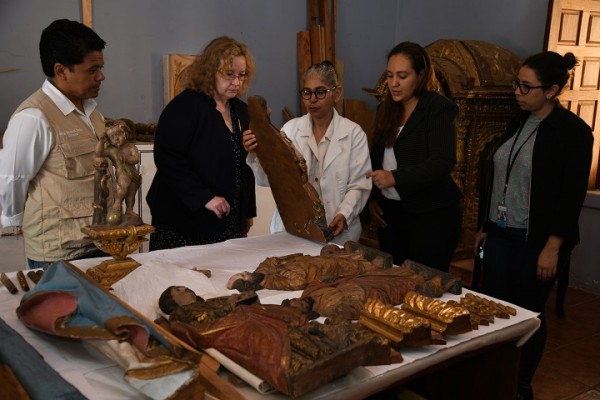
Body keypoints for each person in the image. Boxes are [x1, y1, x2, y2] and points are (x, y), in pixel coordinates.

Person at [473, 51, 593, 400]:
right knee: (494, 308)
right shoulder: (517, 121)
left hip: (536, 240)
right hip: (499, 232)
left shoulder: (573, 133)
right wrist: (485, 224)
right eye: (516, 83)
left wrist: (552, 247)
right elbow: (497, 175)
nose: (517, 91)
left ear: (552, 90)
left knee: (527, 315)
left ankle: (520, 385)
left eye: (526, 86)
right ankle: (493, 378)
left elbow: (571, 196)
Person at [0, 19, 108, 269]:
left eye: (100, 67)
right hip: (60, 251)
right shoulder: (34, 117)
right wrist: (17, 222)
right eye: (92, 70)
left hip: (99, 240)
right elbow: (11, 178)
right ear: (61, 70)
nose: (101, 76)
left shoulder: (92, 111)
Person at [243, 61, 372, 245]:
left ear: (337, 93)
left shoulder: (353, 134)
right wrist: (256, 154)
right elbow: (269, 180)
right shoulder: (290, 130)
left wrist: (345, 213)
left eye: (320, 92)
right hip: (293, 231)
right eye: (307, 92)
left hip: (338, 234)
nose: (312, 99)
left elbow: (360, 185)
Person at [147, 36, 257, 250]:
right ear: (209, 72)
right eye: (229, 74)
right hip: (183, 219)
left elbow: (244, 167)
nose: (236, 82)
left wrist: (246, 212)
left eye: (241, 75)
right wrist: (204, 197)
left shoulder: (242, 112)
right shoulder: (185, 107)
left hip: (226, 219)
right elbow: (168, 158)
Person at [366, 41, 463, 272]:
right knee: (392, 279)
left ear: (420, 76)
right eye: (389, 76)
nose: (394, 83)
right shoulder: (385, 108)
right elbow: (376, 157)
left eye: (402, 76)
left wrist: (395, 178)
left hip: (432, 214)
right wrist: (372, 199)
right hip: (392, 213)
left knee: (424, 285)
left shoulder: (438, 108)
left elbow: (442, 161)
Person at [94, 119, 141, 226]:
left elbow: (136, 159)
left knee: (131, 193)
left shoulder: (131, 147)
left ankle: (129, 210)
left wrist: (127, 158)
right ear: (109, 140)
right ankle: (117, 203)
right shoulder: (112, 150)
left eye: (118, 134)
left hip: (133, 173)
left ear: (126, 133)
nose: (116, 138)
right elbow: (99, 153)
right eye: (112, 137)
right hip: (122, 172)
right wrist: (101, 142)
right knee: (124, 186)